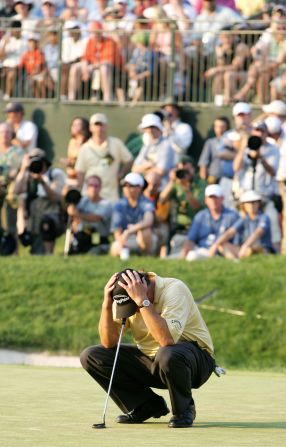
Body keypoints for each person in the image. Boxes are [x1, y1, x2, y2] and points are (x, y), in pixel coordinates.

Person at [80, 268, 215, 428]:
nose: (134, 311)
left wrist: (142, 301)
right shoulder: (124, 295)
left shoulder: (174, 289)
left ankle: (184, 410)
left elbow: (166, 339)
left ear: (143, 285)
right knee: (92, 355)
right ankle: (146, 405)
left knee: (167, 354)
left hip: (194, 362)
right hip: (154, 360)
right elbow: (108, 342)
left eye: (134, 306)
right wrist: (107, 305)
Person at [14, 148, 66, 254]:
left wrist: (42, 182)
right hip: (34, 219)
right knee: (37, 253)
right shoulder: (28, 175)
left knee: (47, 224)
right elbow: (16, 191)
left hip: (53, 217)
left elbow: (55, 198)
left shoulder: (55, 174)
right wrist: (24, 169)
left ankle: (49, 254)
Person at [75, 112, 133, 202]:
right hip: (90, 196)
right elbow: (80, 172)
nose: (99, 128)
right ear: (90, 127)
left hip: (111, 197)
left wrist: (121, 174)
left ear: (106, 126)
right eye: (96, 124)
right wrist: (80, 192)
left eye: (102, 124)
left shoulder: (116, 143)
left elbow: (129, 160)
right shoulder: (85, 148)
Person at [182, 183, 239, 261]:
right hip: (204, 250)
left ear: (222, 198)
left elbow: (237, 239)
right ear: (206, 200)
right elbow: (190, 239)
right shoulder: (200, 216)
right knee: (192, 256)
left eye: (216, 197)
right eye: (210, 198)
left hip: (223, 250)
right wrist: (183, 256)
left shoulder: (232, 216)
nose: (213, 201)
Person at [211, 190, 274, 259]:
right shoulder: (244, 219)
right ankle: (235, 262)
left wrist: (246, 245)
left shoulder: (264, 217)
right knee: (222, 245)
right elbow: (230, 232)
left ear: (258, 203)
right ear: (244, 205)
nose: (251, 205)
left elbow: (258, 232)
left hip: (262, 249)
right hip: (246, 249)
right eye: (248, 203)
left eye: (253, 202)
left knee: (254, 247)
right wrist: (215, 245)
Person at [110, 172, 156, 257]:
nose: (127, 188)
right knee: (115, 248)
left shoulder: (146, 203)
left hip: (142, 237)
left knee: (145, 231)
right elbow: (117, 229)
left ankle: (145, 256)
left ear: (139, 188)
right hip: (126, 238)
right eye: (125, 186)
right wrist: (121, 242)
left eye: (131, 186)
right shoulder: (119, 204)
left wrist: (130, 230)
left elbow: (148, 221)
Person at [66, 175, 113, 255]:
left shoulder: (106, 204)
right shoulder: (82, 201)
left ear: (100, 187)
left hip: (98, 239)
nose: (93, 188)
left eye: (96, 186)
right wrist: (71, 207)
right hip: (82, 237)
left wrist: (77, 214)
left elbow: (95, 218)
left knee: (92, 255)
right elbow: (72, 213)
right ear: (87, 187)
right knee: (72, 253)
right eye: (91, 185)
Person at [132, 113, 175, 186]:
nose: (150, 130)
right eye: (147, 127)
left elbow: (161, 171)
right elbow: (134, 169)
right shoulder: (147, 146)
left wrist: (142, 169)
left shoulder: (166, 145)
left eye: (152, 127)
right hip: (145, 188)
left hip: (161, 188)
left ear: (158, 128)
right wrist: (149, 165)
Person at [198, 115, 230, 184]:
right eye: (217, 127)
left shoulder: (234, 142)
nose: (220, 130)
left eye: (222, 127)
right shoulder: (210, 143)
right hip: (213, 179)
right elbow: (203, 163)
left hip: (229, 180)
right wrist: (204, 183)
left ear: (227, 128)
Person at [161, 98, 193, 164]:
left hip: (177, 160)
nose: (169, 112)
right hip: (159, 159)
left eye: (172, 109)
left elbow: (183, 146)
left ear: (178, 111)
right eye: (166, 110)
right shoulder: (159, 127)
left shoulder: (184, 127)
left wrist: (171, 130)